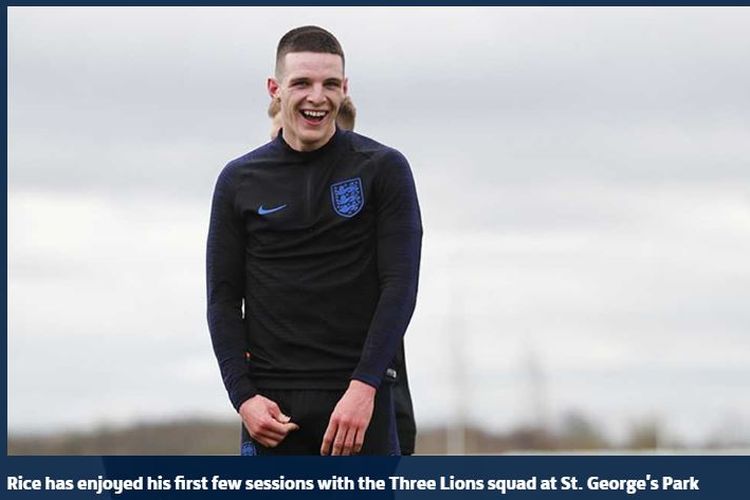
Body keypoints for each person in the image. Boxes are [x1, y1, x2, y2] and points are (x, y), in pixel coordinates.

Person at [206, 26, 422, 456]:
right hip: (272, 410)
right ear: (275, 89)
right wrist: (243, 397)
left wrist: (365, 388)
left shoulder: (383, 168)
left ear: (345, 88)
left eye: (330, 84)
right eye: (301, 82)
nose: (317, 97)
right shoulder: (238, 180)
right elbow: (223, 299)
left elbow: (399, 286)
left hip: (359, 404)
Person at [267, 95, 417, 456]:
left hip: (370, 400)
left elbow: (397, 289)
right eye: (276, 137)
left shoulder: (372, 196)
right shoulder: (261, 199)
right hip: (284, 407)